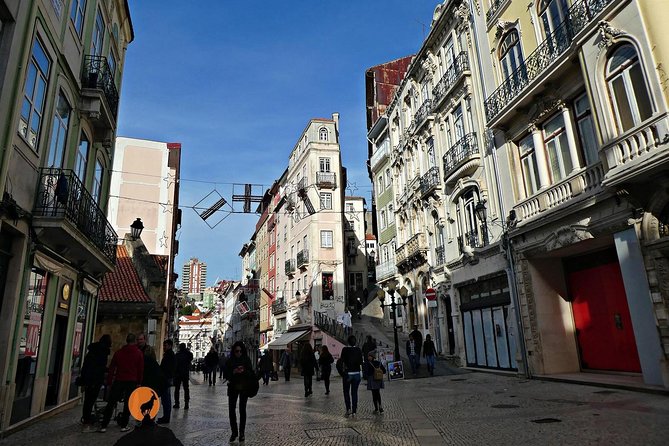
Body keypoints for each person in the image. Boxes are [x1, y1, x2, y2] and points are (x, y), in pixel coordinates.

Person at [100, 333, 144, 433]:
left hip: (119, 379)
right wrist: (139, 382)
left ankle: (104, 425)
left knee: (111, 402)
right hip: (132, 381)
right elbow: (140, 369)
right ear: (134, 341)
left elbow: (112, 368)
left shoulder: (119, 352)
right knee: (128, 403)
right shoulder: (138, 353)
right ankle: (124, 425)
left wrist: (109, 381)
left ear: (126, 340)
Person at [80, 334, 112, 432]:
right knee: (90, 400)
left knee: (88, 401)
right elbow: (99, 367)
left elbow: (86, 366)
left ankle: (86, 420)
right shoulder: (102, 353)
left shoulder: (92, 351)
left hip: (88, 378)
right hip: (95, 379)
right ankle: (86, 422)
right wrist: (107, 370)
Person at [224, 341, 254, 442]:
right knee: (231, 410)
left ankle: (242, 433)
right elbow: (226, 374)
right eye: (237, 351)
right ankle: (234, 432)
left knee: (242, 410)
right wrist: (234, 371)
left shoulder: (246, 360)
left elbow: (251, 372)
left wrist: (244, 371)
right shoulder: (230, 361)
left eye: (240, 351)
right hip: (232, 387)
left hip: (244, 387)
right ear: (234, 351)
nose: (239, 353)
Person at [339, 334, 363, 417]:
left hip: (348, 373)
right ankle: (354, 411)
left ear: (348, 342)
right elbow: (361, 362)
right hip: (356, 374)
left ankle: (348, 409)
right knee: (354, 392)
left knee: (346, 392)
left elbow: (341, 361)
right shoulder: (358, 350)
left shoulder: (345, 350)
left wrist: (342, 373)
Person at [158, 339, 176, 424]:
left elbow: (166, 368)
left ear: (169, 346)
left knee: (166, 399)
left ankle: (166, 417)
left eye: (165, 345)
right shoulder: (169, 355)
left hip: (166, 379)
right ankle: (166, 417)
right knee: (166, 398)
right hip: (166, 379)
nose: (164, 347)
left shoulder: (169, 355)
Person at [173, 343, 193, 410]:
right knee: (186, 389)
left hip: (178, 374)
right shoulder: (188, 354)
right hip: (185, 374)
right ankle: (186, 403)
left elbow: (175, 364)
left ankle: (177, 403)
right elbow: (191, 357)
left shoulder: (177, 355)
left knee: (177, 389)